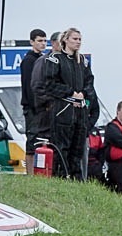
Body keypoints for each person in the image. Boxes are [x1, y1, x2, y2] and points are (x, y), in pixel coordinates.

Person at [41, 27, 95, 179]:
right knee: (62, 148)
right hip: (62, 110)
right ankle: (61, 178)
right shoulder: (55, 59)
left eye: (79, 39)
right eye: (75, 39)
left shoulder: (83, 61)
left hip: (80, 112)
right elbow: (49, 84)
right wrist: (71, 93)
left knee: (77, 149)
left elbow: (90, 82)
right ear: (65, 40)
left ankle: (76, 181)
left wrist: (83, 94)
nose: (78, 42)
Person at [20, 28, 47, 174]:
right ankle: (29, 172)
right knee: (32, 139)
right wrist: (35, 105)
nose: (43, 44)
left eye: (44, 41)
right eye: (40, 41)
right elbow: (28, 86)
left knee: (41, 140)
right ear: (32, 42)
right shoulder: (28, 60)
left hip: (42, 107)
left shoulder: (42, 59)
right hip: (32, 107)